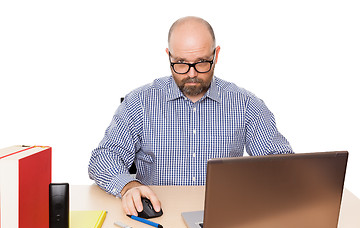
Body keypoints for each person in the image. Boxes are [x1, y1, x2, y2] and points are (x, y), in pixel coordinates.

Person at [88, 16, 293, 217]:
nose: (192, 74)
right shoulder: (140, 102)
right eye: (181, 63)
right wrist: (128, 186)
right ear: (169, 56)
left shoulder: (246, 104)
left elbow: (281, 165)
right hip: (158, 216)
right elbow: (104, 157)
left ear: (216, 54)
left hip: (223, 216)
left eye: (202, 62)